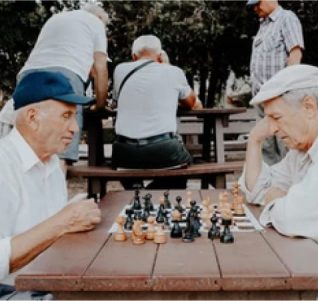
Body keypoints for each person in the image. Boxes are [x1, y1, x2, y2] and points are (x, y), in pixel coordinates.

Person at [239, 64, 318, 299]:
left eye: (276, 118)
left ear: (309, 106)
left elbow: (294, 218)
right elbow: (257, 192)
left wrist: (282, 200)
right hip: (312, 277)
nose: (272, 129)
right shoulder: (302, 148)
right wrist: (254, 141)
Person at [0, 72, 101, 300]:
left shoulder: (51, 163)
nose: (75, 128)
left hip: (48, 283)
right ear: (33, 117)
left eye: (74, 117)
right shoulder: (3, 165)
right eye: (66, 116)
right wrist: (63, 222)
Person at [15, 3, 109, 172]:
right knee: (60, 150)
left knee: (27, 150)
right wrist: (100, 105)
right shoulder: (96, 24)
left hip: (27, 76)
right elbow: (100, 68)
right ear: (100, 19)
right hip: (65, 75)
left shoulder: (56, 18)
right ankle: (54, 197)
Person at [112, 34, 201, 189]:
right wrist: (166, 66)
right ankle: (151, 193)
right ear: (160, 56)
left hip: (124, 154)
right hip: (164, 151)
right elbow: (192, 104)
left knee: (129, 164)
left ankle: (136, 190)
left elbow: (117, 100)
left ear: (134, 56)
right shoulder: (173, 72)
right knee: (185, 165)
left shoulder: (119, 70)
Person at [247, 0, 304, 165]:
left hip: (279, 96)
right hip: (260, 97)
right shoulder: (263, 25)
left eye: (258, 3)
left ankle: (290, 188)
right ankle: (272, 187)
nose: (255, 8)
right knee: (266, 148)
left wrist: (286, 88)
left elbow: (295, 53)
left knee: (285, 144)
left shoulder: (287, 18)